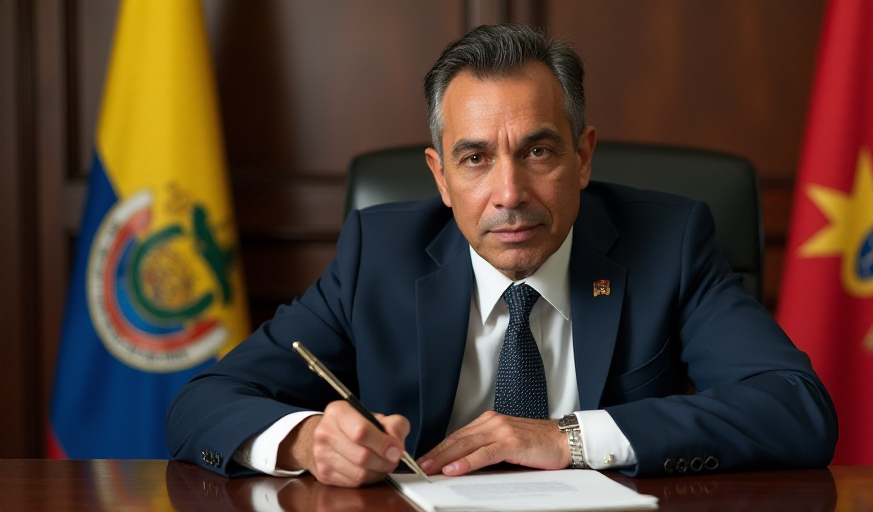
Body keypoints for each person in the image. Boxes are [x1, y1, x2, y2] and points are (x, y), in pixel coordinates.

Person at [166, 23, 837, 488]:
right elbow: (203, 402)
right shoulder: (381, 255)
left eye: (539, 151)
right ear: (439, 176)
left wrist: (568, 439)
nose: (509, 194)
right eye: (475, 158)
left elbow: (796, 409)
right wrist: (307, 440)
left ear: (583, 157)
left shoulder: (670, 242)